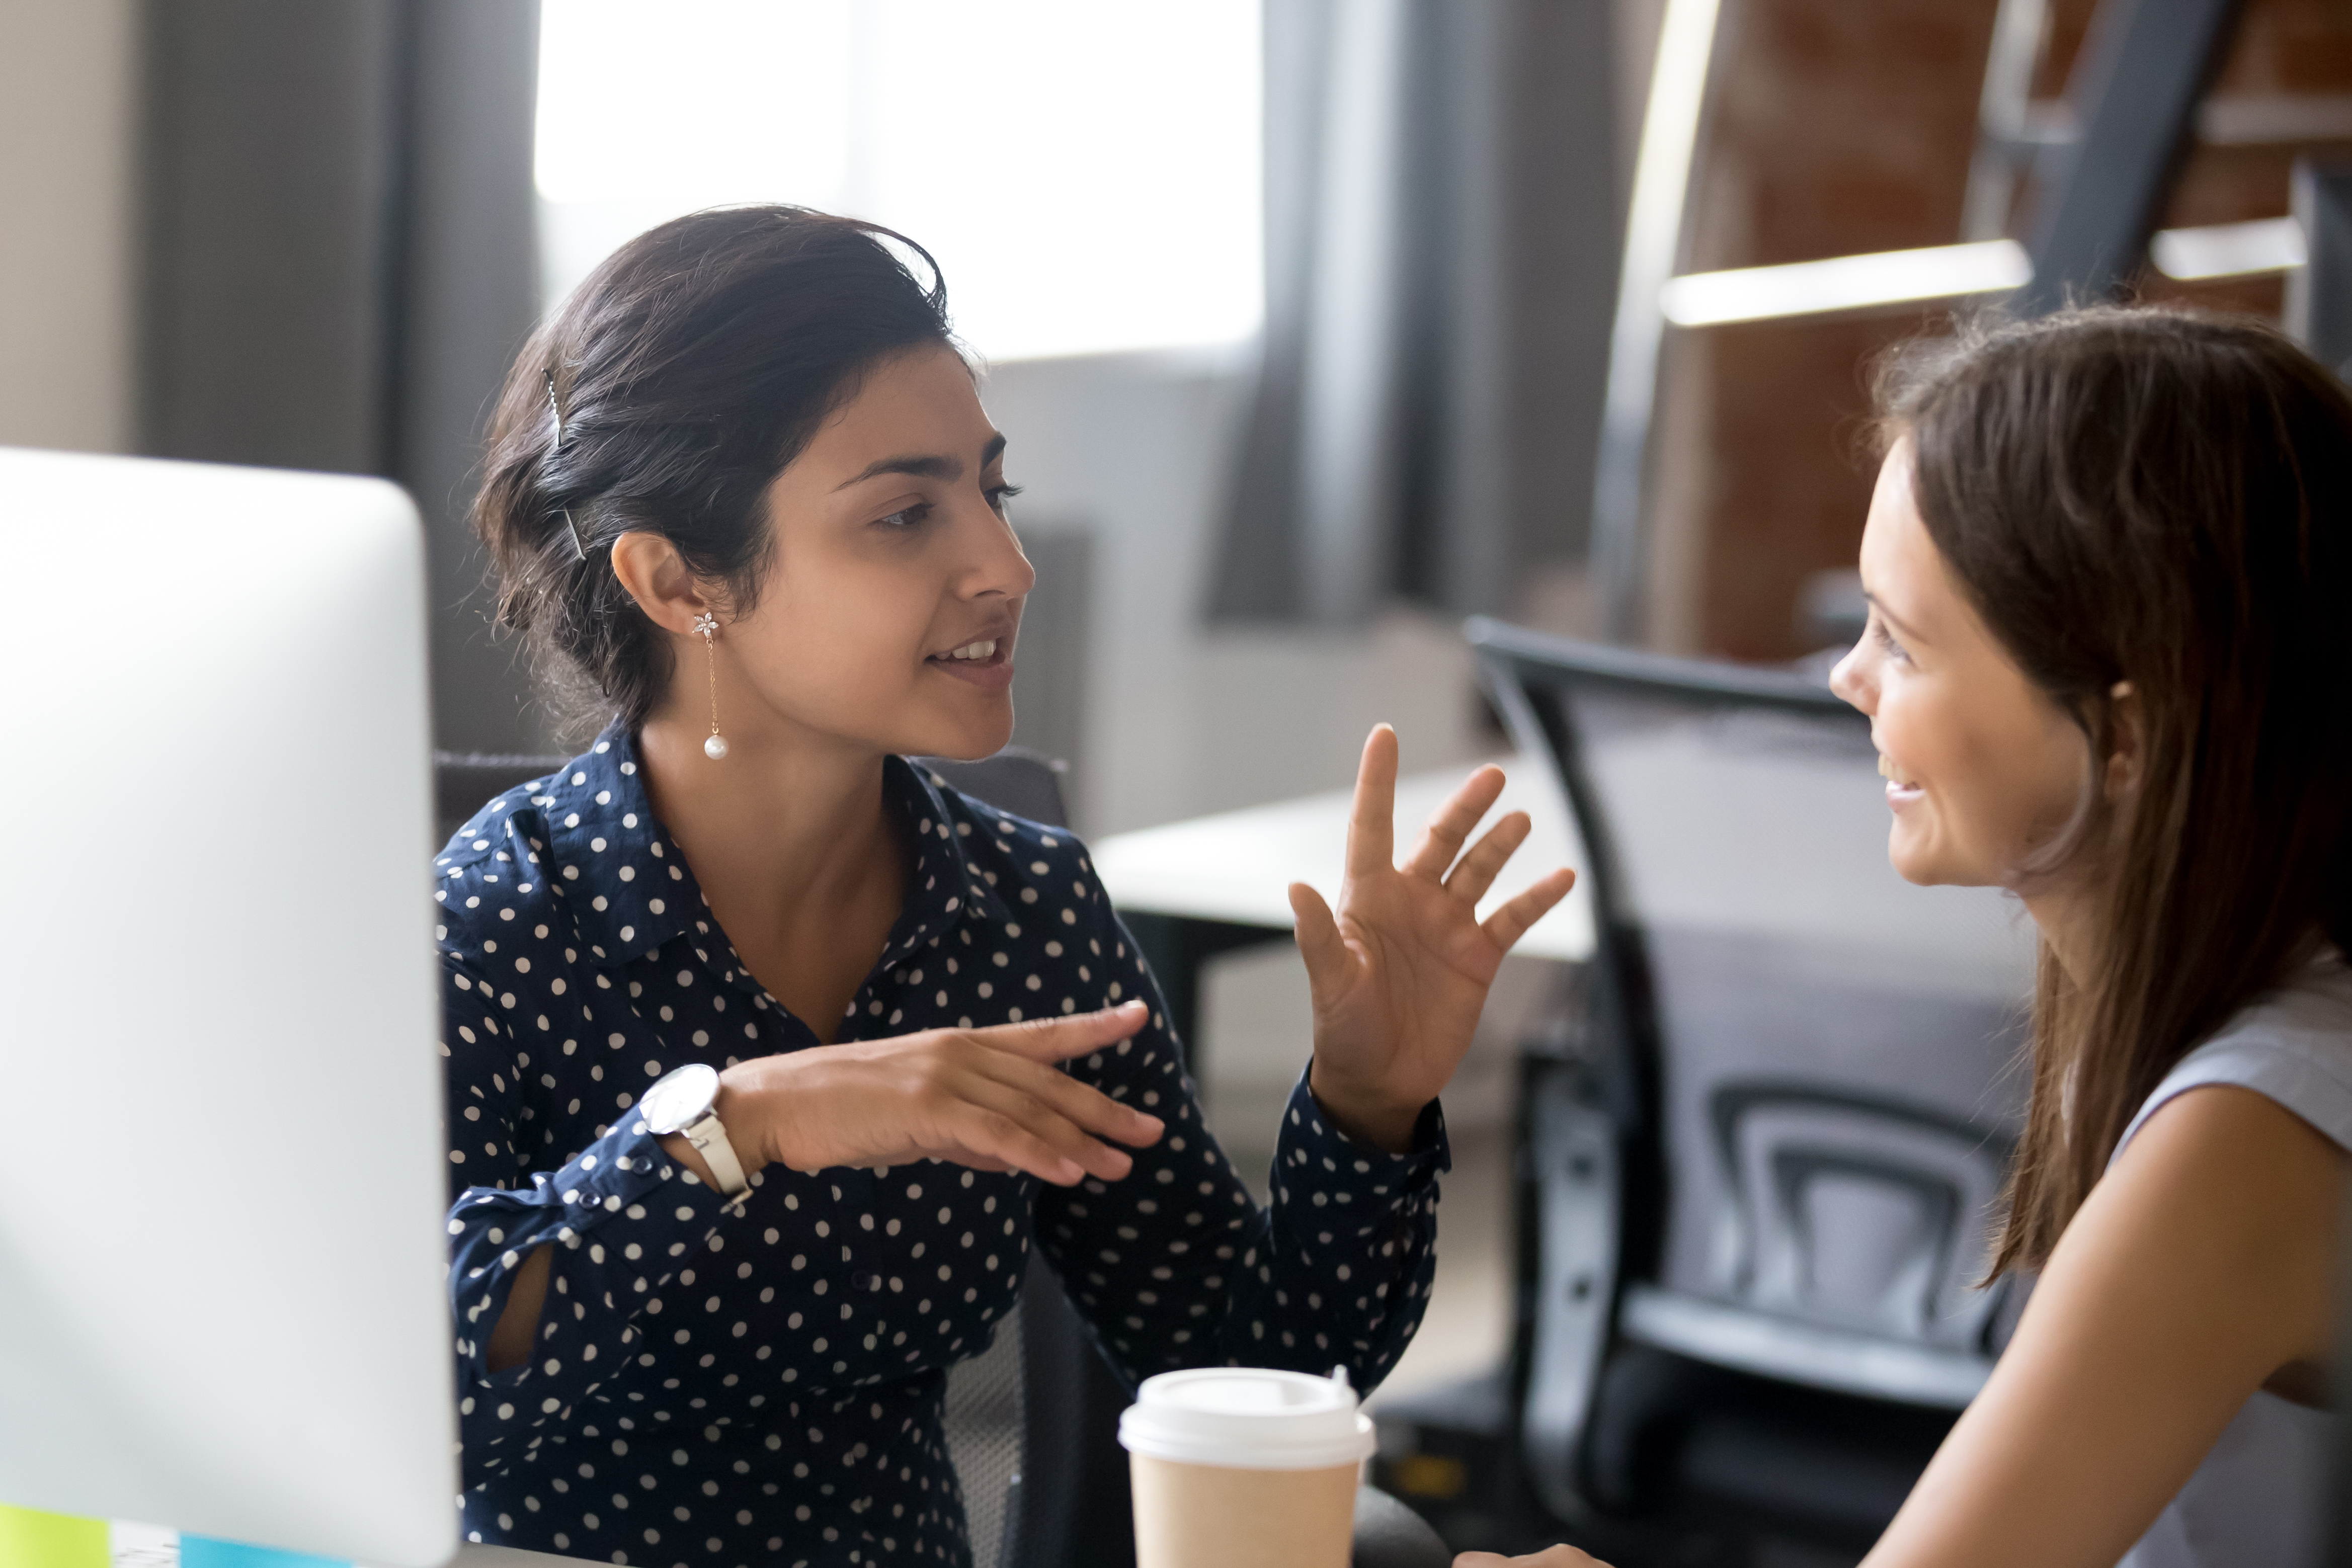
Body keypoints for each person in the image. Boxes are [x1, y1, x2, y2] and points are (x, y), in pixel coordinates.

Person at [434, 204, 1574, 1567]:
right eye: (905, 512)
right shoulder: (500, 918)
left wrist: (1367, 1101)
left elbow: (1249, 1365)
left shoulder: (1020, 912)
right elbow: (425, 1386)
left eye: (992, 489)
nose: (1003, 565)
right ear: (679, 579)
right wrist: (741, 1121)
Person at [1456, 307, 2352, 1568]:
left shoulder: (2246, 1131)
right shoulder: (2203, 1015)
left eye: (1903, 639)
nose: (1846, 677)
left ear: (2129, 737)